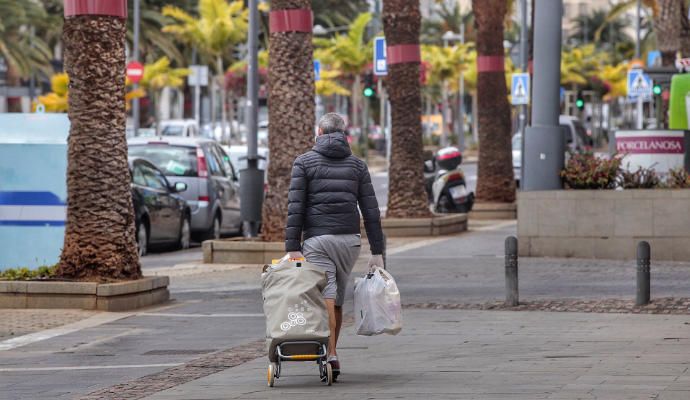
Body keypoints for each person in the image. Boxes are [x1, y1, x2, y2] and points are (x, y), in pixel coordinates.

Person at [285, 113, 385, 381]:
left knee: (327, 295)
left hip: (317, 240)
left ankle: (329, 353)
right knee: (337, 297)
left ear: (319, 131)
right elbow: (371, 210)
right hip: (349, 241)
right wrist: (377, 251)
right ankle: (333, 352)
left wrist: (293, 246)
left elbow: (296, 207)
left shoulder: (303, 162)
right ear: (344, 133)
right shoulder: (358, 165)